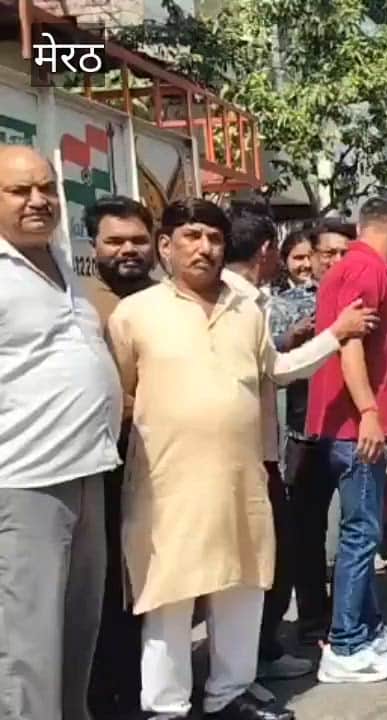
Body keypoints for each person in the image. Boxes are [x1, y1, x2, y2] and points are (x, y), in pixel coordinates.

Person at [107, 199, 372, 720]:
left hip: (240, 478)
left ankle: (230, 693)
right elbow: (118, 394)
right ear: (166, 246)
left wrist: (335, 335)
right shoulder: (134, 314)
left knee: (242, 587)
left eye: (214, 237)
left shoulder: (247, 309)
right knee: (168, 597)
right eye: (191, 236)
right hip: (166, 483)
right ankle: (166, 707)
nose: (204, 247)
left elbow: (278, 369)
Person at [0, 145, 121, 720]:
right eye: (19, 191)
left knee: (79, 632)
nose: (38, 200)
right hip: (24, 481)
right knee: (27, 648)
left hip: (86, 469)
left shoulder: (59, 263)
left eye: (46, 188)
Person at [307, 198, 387, 684]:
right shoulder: (364, 269)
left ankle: (366, 630)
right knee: (360, 535)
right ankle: (345, 644)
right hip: (355, 430)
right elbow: (349, 346)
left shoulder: (354, 268)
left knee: (364, 531)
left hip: (356, 426)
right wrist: (371, 413)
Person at [221, 210, 319, 683]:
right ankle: (253, 661)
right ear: (266, 250)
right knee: (267, 563)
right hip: (253, 454)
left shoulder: (245, 299)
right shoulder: (241, 304)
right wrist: (336, 336)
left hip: (253, 450)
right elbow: (275, 369)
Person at [82, 195, 156, 720]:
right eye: (115, 241)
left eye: (138, 240)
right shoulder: (82, 304)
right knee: (107, 592)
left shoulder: (167, 301)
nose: (128, 250)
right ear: (94, 246)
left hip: (161, 469)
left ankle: (149, 692)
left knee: (154, 590)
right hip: (102, 468)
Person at [267, 218, 353, 646]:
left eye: (343, 253)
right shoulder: (282, 305)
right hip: (304, 434)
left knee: (355, 532)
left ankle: (350, 618)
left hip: (353, 430)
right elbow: (271, 359)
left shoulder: (361, 297)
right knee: (306, 533)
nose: (334, 262)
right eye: (326, 254)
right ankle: (313, 620)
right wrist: (293, 337)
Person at [275, 227, 313, 291]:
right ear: (283, 260)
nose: (307, 264)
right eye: (299, 258)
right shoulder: (272, 292)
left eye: (311, 257)